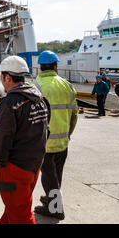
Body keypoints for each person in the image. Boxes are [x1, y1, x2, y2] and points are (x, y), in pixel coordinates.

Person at [0, 56, 50, 224]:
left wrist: (0, 161)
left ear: (7, 77)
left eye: (2, 76)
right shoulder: (39, 99)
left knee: (21, 215)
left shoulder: (9, 103)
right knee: (14, 210)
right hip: (34, 164)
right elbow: (46, 129)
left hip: (13, 167)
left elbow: (3, 137)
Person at [33, 51, 78, 220]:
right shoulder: (66, 85)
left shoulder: (36, 85)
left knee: (49, 176)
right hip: (63, 141)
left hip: (45, 142)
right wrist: (68, 134)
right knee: (56, 174)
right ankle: (51, 199)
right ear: (55, 66)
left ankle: (55, 208)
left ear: (40, 67)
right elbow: (75, 114)